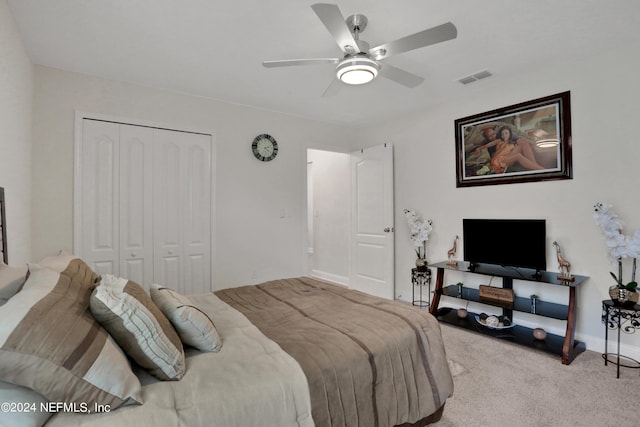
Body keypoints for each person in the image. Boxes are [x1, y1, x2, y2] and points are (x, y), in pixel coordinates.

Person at [474, 125, 545, 173]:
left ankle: (534, 166)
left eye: (493, 134)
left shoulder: (506, 139)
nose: (493, 136)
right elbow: (486, 146)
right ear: (487, 138)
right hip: (500, 160)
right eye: (490, 136)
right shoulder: (496, 141)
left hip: (508, 155)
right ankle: (541, 170)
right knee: (518, 155)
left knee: (523, 143)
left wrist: (526, 141)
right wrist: (479, 148)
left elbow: (517, 139)